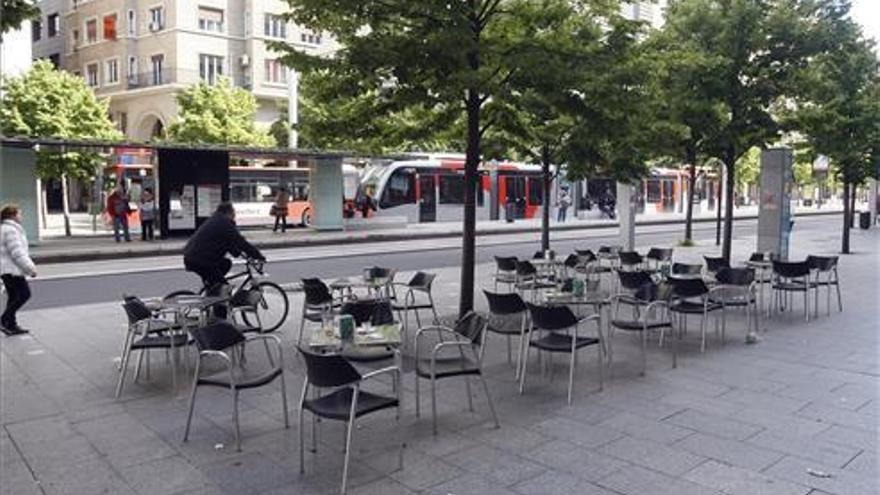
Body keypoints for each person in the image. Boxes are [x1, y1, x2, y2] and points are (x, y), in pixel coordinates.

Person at [183, 202, 265, 317]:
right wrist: (258, 256)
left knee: (226, 263)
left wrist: (239, 253)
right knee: (223, 288)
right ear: (229, 213)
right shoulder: (225, 223)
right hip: (201, 260)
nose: (234, 215)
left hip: (193, 257)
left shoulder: (216, 220)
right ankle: (219, 319)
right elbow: (241, 242)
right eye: (234, 213)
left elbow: (228, 243)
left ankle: (212, 291)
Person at [0, 205, 37, 335]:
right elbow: (17, 253)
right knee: (24, 294)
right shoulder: (11, 230)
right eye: (19, 214)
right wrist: (30, 268)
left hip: (5, 269)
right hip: (12, 269)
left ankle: (11, 324)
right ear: (12, 216)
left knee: (13, 296)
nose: (21, 216)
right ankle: (4, 319)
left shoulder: (4, 228)